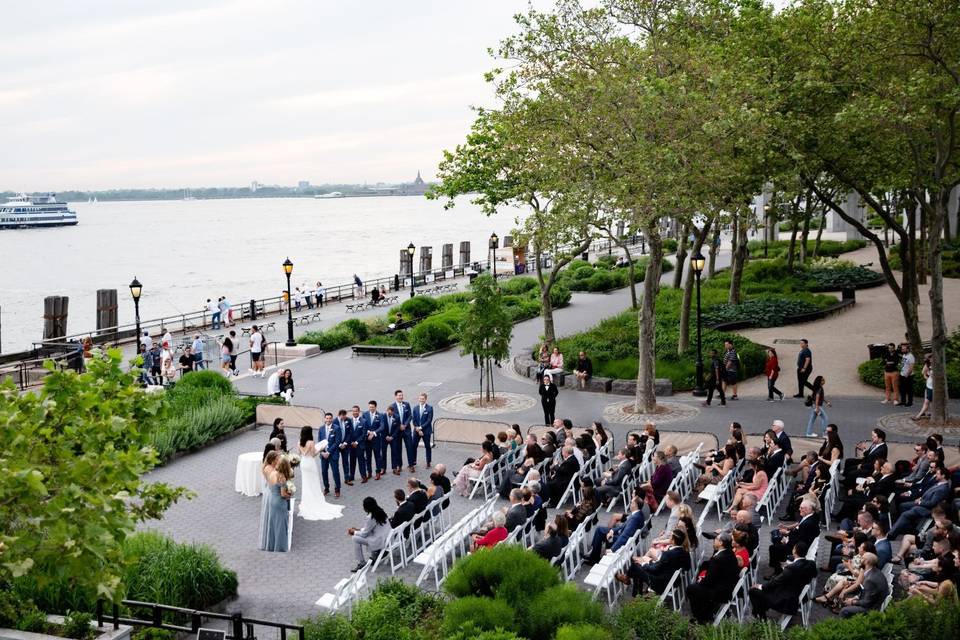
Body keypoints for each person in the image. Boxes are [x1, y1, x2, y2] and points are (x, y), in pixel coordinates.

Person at [749, 541, 818, 620]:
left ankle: (761, 616)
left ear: (794, 551)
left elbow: (776, 582)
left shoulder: (791, 568)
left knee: (753, 591)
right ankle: (761, 609)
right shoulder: (811, 564)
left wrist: (760, 586)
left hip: (786, 600)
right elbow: (813, 574)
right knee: (764, 591)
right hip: (797, 592)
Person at [617, 528, 692, 596]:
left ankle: (629, 581)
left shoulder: (668, 554)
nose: (668, 538)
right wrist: (649, 562)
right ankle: (636, 593)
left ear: (673, 541)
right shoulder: (685, 552)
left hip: (660, 583)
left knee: (636, 565)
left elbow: (655, 570)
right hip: (673, 580)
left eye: (670, 537)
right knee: (640, 565)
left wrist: (644, 564)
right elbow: (687, 567)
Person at [687, 534, 740, 623]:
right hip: (726, 586)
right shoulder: (729, 553)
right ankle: (706, 610)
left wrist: (701, 580)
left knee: (691, 589)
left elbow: (708, 581)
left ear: (721, 543)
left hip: (720, 592)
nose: (714, 540)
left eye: (716, 539)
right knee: (702, 571)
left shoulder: (718, 559)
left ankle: (701, 618)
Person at [297, 426, 344, 521]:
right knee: (313, 482)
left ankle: (307, 501)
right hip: (310, 463)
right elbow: (313, 454)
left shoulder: (299, 442)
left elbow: (299, 453)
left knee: (306, 482)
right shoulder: (311, 442)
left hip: (303, 463)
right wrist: (320, 448)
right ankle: (315, 499)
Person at [586, 494, 646, 564]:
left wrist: (612, 549)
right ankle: (594, 555)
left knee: (599, 531)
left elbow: (625, 536)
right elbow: (623, 527)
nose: (630, 503)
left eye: (631, 502)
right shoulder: (638, 514)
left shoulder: (635, 518)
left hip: (624, 542)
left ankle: (594, 557)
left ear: (635, 505)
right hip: (623, 535)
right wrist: (612, 531)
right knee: (600, 529)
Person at [768, 499, 820, 574]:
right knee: (777, 539)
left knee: (774, 548)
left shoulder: (807, 524)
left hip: (799, 549)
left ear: (809, 509)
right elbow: (799, 531)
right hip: (800, 541)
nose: (799, 509)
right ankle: (778, 563)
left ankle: (777, 571)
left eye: (801, 508)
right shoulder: (811, 516)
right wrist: (788, 533)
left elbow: (800, 540)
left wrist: (786, 540)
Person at [258, 451, 290, 552]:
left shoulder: (272, 474)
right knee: (281, 525)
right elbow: (283, 494)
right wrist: (289, 495)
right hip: (279, 502)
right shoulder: (282, 477)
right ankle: (280, 547)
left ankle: (271, 546)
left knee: (273, 524)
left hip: (272, 499)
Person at [839, 553, 888, 617]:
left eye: (862, 558)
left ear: (867, 561)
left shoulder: (870, 580)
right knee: (847, 599)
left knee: (844, 611)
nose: (860, 560)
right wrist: (855, 597)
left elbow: (867, 603)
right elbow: (866, 591)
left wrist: (852, 602)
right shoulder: (873, 571)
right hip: (872, 600)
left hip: (872, 609)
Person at [317, 413, 342, 498]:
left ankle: (337, 489)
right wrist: (322, 452)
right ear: (324, 419)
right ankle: (326, 488)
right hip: (324, 455)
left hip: (333, 454)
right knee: (324, 472)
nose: (328, 420)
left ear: (332, 419)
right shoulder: (321, 429)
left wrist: (329, 452)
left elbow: (337, 442)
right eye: (327, 418)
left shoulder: (337, 428)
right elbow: (320, 441)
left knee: (335, 472)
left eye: (330, 418)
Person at [391, 389, 415, 472]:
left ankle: (411, 465)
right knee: (398, 449)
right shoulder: (392, 406)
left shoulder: (407, 404)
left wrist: (405, 424)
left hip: (406, 430)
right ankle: (399, 465)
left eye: (402, 395)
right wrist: (399, 425)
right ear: (396, 397)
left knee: (409, 447)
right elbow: (392, 418)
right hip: (397, 432)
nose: (401, 397)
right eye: (399, 395)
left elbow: (410, 416)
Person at [359, 401, 382, 481]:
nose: (371, 408)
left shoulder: (380, 415)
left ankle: (378, 472)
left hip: (376, 439)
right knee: (368, 457)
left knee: (377, 457)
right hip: (367, 440)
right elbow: (363, 425)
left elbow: (382, 427)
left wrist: (374, 433)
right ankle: (369, 472)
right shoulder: (365, 414)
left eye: (372, 407)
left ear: (375, 407)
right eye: (370, 407)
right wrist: (368, 432)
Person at [914, 355, 934, 419]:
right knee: (927, 401)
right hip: (928, 385)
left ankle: (918, 416)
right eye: (930, 358)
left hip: (933, 387)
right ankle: (926, 413)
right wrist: (927, 377)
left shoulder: (937, 367)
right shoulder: (928, 365)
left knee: (927, 402)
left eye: (932, 358)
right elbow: (923, 373)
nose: (931, 359)